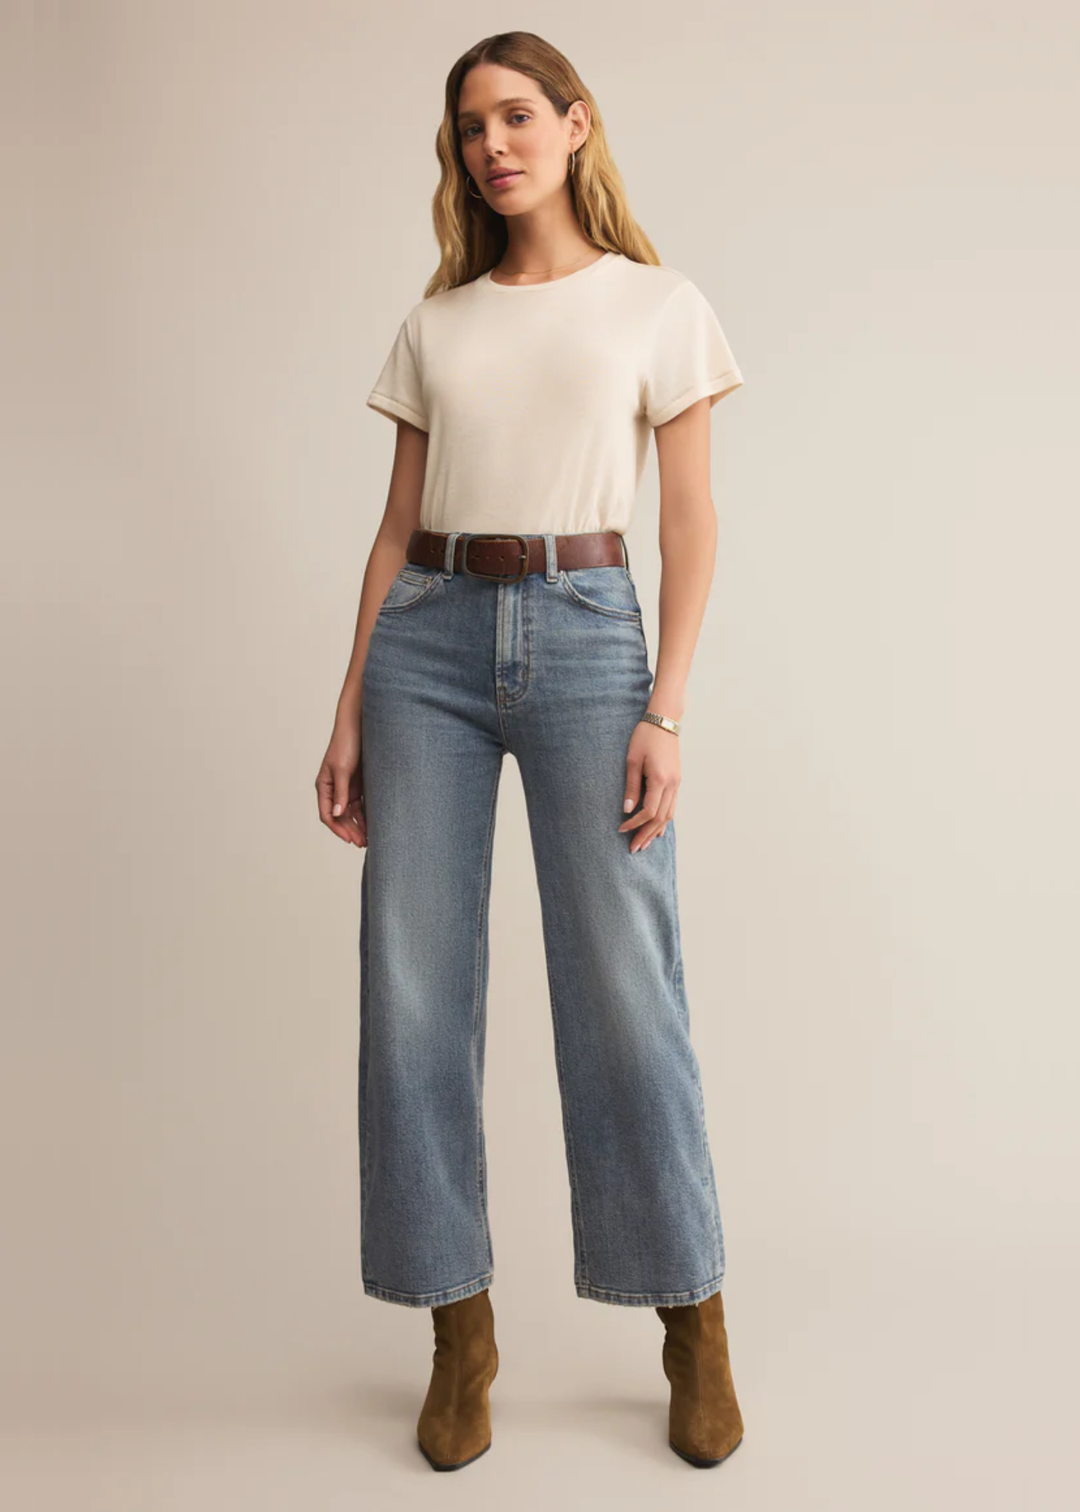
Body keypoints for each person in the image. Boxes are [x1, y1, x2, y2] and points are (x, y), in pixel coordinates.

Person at [315, 30, 747, 1473]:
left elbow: (689, 522)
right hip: (429, 641)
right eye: (468, 128)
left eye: (515, 116)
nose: (492, 144)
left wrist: (666, 706)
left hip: (582, 634)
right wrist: (352, 698)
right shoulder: (439, 322)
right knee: (414, 990)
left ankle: (692, 1319)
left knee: (627, 989)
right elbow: (393, 528)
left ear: (573, 125)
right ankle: (460, 1331)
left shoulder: (657, 304)